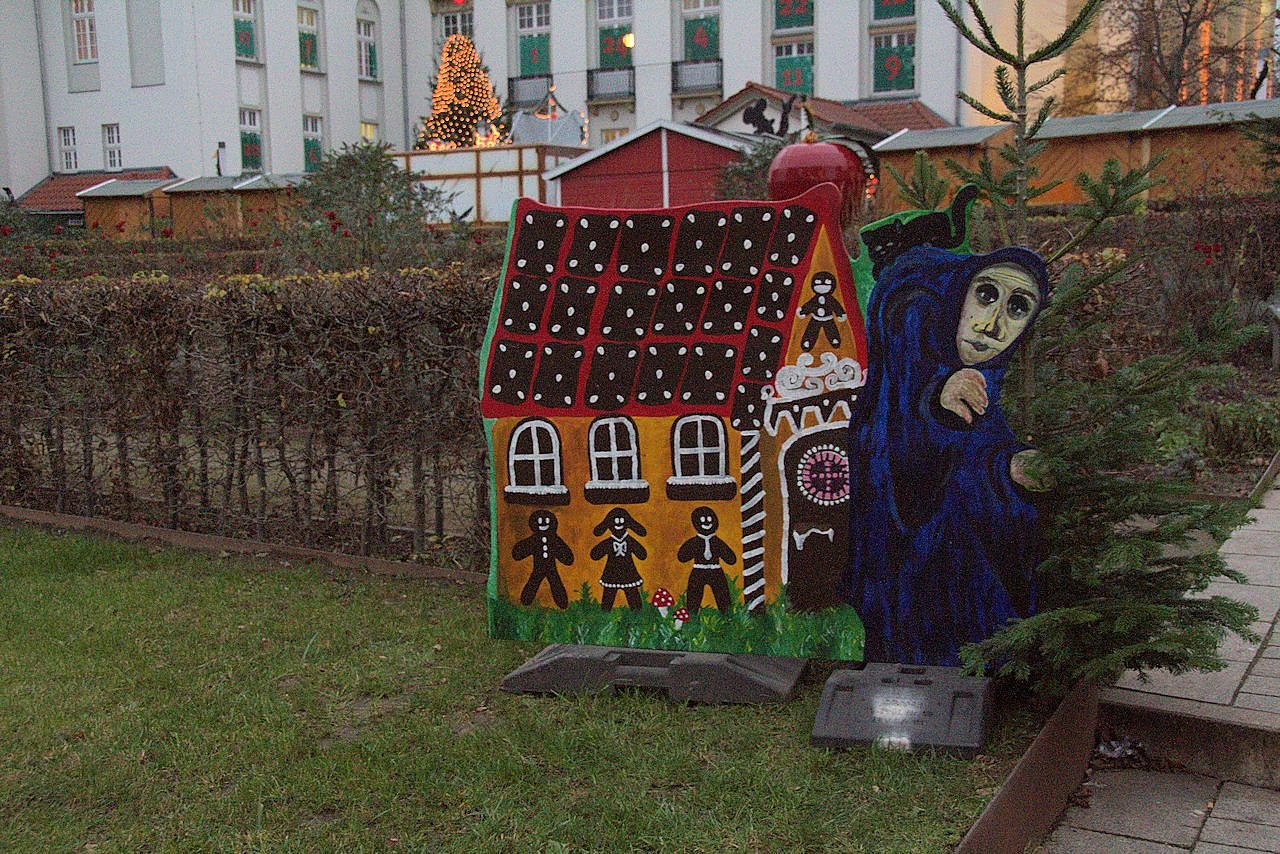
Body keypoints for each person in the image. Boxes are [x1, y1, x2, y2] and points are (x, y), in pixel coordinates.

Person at [845, 245, 1049, 666]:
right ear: (960, 293)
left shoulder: (1000, 382)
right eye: (986, 295)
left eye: (1017, 308)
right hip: (901, 584)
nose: (991, 325)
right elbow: (894, 462)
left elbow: (978, 457)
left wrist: (1008, 471)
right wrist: (936, 405)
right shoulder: (911, 348)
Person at [676, 507, 736, 614]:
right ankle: (692, 616)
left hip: (716, 570)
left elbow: (731, 559)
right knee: (693, 597)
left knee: (723, 597)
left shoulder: (717, 542)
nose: (707, 523)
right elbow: (682, 557)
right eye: (703, 520)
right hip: (698, 570)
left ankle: (727, 616)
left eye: (709, 519)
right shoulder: (694, 542)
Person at [590, 507, 648, 611]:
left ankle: (637, 613)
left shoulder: (629, 541)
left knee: (633, 597)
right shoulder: (609, 543)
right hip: (612, 573)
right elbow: (595, 555)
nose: (619, 523)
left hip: (628, 572)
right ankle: (605, 613)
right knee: (608, 597)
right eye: (616, 520)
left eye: (621, 520)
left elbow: (642, 554)